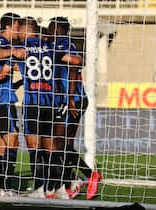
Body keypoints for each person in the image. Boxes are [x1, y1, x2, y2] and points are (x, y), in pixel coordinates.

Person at [48, 17, 103, 200]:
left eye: (50, 28)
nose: (48, 31)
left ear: (57, 29)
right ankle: (71, 184)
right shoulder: (63, 44)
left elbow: (74, 67)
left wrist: (70, 99)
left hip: (73, 100)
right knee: (63, 145)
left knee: (59, 144)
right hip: (69, 100)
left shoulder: (62, 44)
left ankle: (89, 175)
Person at [12, 17, 67, 199]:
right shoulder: (50, 46)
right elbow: (74, 60)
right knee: (51, 148)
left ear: (25, 30)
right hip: (50, 102)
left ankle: (40, 188)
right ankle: (57, 188)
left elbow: (0, 59)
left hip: (33, 102)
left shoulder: (22, 48)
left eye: (19, 29)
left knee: (34, 148)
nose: (17, 33)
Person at [0, 12, 26, 195]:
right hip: (1, 100)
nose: (19, 31)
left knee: (4, 144)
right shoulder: (0, 42)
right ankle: (1, 185)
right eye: (18, 27)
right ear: (9, 27)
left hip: (1, 99)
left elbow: (4, 74)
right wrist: (13, 54)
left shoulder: (5, 45)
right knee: (11, 142)